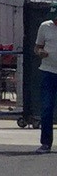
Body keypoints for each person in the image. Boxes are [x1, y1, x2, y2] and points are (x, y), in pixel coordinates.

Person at [37, 13, 57, 152]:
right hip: (48, 71)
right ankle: (46, 143)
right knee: (47, 108)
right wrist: (40, 52)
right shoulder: (45, 26)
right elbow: (37, 47)